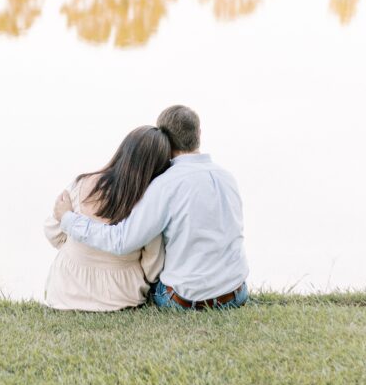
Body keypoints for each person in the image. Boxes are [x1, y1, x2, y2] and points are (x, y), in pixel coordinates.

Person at [53, 105, 249, 311]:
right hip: (236, 293)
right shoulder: (228, 178)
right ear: (199, 133)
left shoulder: (164, 185)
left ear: (164, 140)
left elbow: (122, 241)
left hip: (186, 301)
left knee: (152, 272)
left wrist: (68, 219)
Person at [44, 126, 172, 311]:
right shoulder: (147, 205)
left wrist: (83, 252)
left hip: (66, 290)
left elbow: (52, 232)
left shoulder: (82, 183)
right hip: (121, 295)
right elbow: (153, 268)